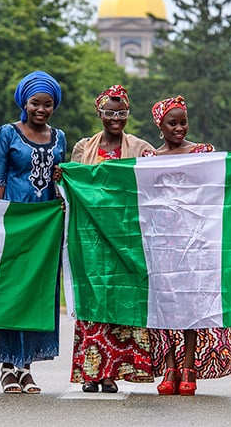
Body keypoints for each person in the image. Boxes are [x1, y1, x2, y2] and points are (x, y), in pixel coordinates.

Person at [145, 95, 231, 396]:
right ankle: (169, 366)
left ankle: (188, 366)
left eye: (183, 122)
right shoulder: (150, 160)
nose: (179, 128)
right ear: (160, 126)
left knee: (191, 305)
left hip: (195, 242)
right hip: (163, 245)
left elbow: (216, 186)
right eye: (173, 123)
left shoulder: (202, 153)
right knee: (165, 306)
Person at [67, 85, 155, 393]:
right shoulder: (83, 148)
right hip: (92, 240)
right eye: (109, 113)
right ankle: (92, 372)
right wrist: (61, 177)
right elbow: (75, 188)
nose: (116, 119)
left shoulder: (141, 148)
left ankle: (111, 374)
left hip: (127, 239)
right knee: (94, 302)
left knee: (121, 302)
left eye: (122, 113)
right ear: (99, 113)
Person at [0, 70, 67, 395]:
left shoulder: (59, 137)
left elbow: (60, 181)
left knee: (39, 293)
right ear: (24, 102)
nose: (41, 110)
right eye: (36, 103)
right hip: (14, 222)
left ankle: (27, 366)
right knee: (12, 292)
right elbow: (0, 177)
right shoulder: (7, 133)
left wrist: (62, 180)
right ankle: (8, 366)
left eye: (48, 104)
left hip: (45, 227)